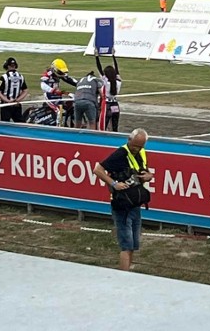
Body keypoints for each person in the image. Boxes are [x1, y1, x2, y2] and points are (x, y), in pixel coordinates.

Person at [93, 128, 153, 271]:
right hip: (122, 205)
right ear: (129, 140)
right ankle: (123, 276)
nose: (136, 149)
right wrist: (114, 183)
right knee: (126, 244)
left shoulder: (142, 153)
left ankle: (128, 272)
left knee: (133, 244)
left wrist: (149, 176)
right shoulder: (120, 154)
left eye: (140, 146)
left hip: (135, 203)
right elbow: (97, 169)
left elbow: (145, 171)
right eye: (134, 145)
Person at [41, 58, 77, 127]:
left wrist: (79, 84)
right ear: (54, 69)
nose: (62, 74)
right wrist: (52, 90)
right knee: (59, 111)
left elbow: (69, 79)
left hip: (58, 96)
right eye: (60, 72)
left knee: (67, 106)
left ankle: (68, 123)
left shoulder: (60, 74)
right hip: (49, 96)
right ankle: (58, 127)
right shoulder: (48, 74)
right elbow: (42, 85)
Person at [96, 49, 122, 132]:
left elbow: (99, 68)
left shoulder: (106, 82)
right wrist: (113, 56)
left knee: (103, 126)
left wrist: (96, 56)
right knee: (115, 127)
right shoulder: (118, 81)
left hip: (107, 105)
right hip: (115, 105)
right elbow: (117, 69)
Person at [0, 57, 28, 123]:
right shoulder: (21, 76)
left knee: (5, 124)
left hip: (6, 105)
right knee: (20, 124)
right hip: (16, 104)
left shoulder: (3, 77)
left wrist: (7, 101)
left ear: (7, 66)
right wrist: (17, 100)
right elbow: (25, 90)